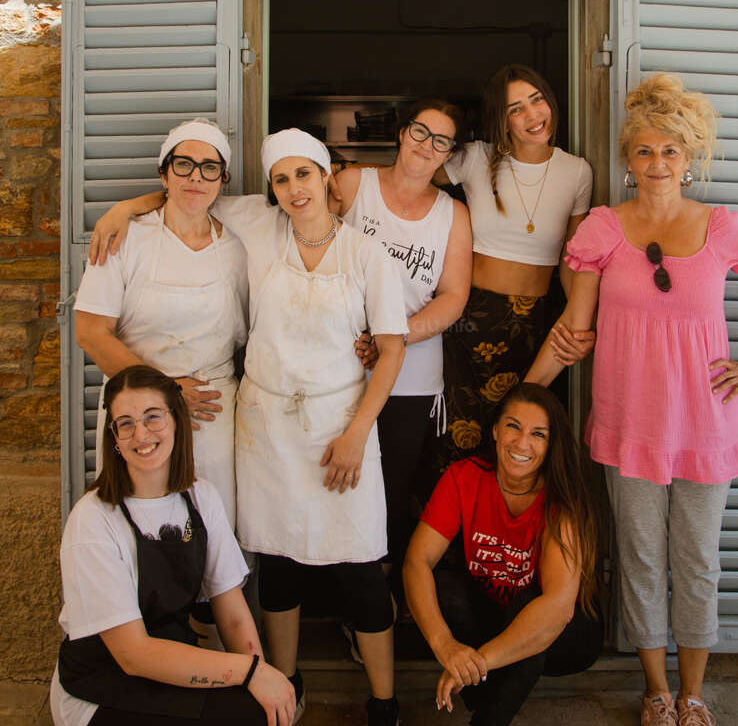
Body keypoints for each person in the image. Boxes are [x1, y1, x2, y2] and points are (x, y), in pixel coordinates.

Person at [91, 129, 409, 726]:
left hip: (343, 425)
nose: (293, 189)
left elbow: (391, 349)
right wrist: (123, 208)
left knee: (363, 566)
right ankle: (286, 688)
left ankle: (384, 702)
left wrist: (357, 433)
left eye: (304, 176)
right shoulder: (258, 227)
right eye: (281, 179)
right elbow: (185, 192)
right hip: (268, 429)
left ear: (326, 179)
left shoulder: (370, 254)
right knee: (278, 566)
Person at [525, 74, 738, 726]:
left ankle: (694, 691)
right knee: (642, 561)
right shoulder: (603, 230)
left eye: (670, 151)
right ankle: (655, 691)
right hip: (629, 423)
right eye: (644, 151)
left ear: (689, 157)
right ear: (627, 158)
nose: (657, 163)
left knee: (698, 561)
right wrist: (529, 392)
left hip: (706, 424)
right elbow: (577, 329)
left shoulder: (723, 228)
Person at [51, 365, 296, 726]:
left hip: (173, 665)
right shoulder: (93, 519)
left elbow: (232, 613)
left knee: (257, 712)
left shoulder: (201, 498)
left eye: (153, 417)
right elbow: (134, 655)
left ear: (176, 420)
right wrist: (246, 671)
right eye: (126, 423)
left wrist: (260, 676)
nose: (141, 434)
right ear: (114, 438)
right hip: (102, 682)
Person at [77, 118, 248, 531]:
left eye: (209, 167)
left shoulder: (238, 248)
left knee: (209, 529)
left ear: (222, 179)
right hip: (138, 412)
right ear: (164, 173)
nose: (195, 176)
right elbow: (90, 332)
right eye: (183, 164)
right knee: (139, 527)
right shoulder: (125, 238)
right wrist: (166, 392)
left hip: (212, 416)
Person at [330, 99, 472, 587]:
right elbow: (293, 225)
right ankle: (336, 596)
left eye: (441, 140)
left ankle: (375, 607)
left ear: (450, 153)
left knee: (390, 496)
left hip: (411, 380)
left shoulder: (453, 214)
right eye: (419, 131)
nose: (425, 145)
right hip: (336, 368)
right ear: (401, 132)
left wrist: (393, 339)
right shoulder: (352, 185)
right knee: (332, 485)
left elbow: (453, 297)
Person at [403, 383, 603, 726]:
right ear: (495, 430)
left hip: (567, 634)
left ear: (551, 444)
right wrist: (445, 646)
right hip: (493, 617)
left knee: (529, 613)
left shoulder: (561, 499)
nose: (522, 443)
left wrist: (478, 660)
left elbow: (556, 609)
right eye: (513, 426)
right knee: (446, 590)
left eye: (538, 434)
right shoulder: (464, 477)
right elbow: (415, 563)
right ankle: (487, 696)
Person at [430, 64, 595, 472]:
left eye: (537, 100)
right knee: (456, 437)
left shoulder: (577, 171)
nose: (532, 115)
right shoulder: (474, 157)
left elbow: (572, 263)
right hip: (466, 318)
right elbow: (409, 182)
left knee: (519, 440)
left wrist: (580, 323)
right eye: (515, 108)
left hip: (533, 322)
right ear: (500, 119)